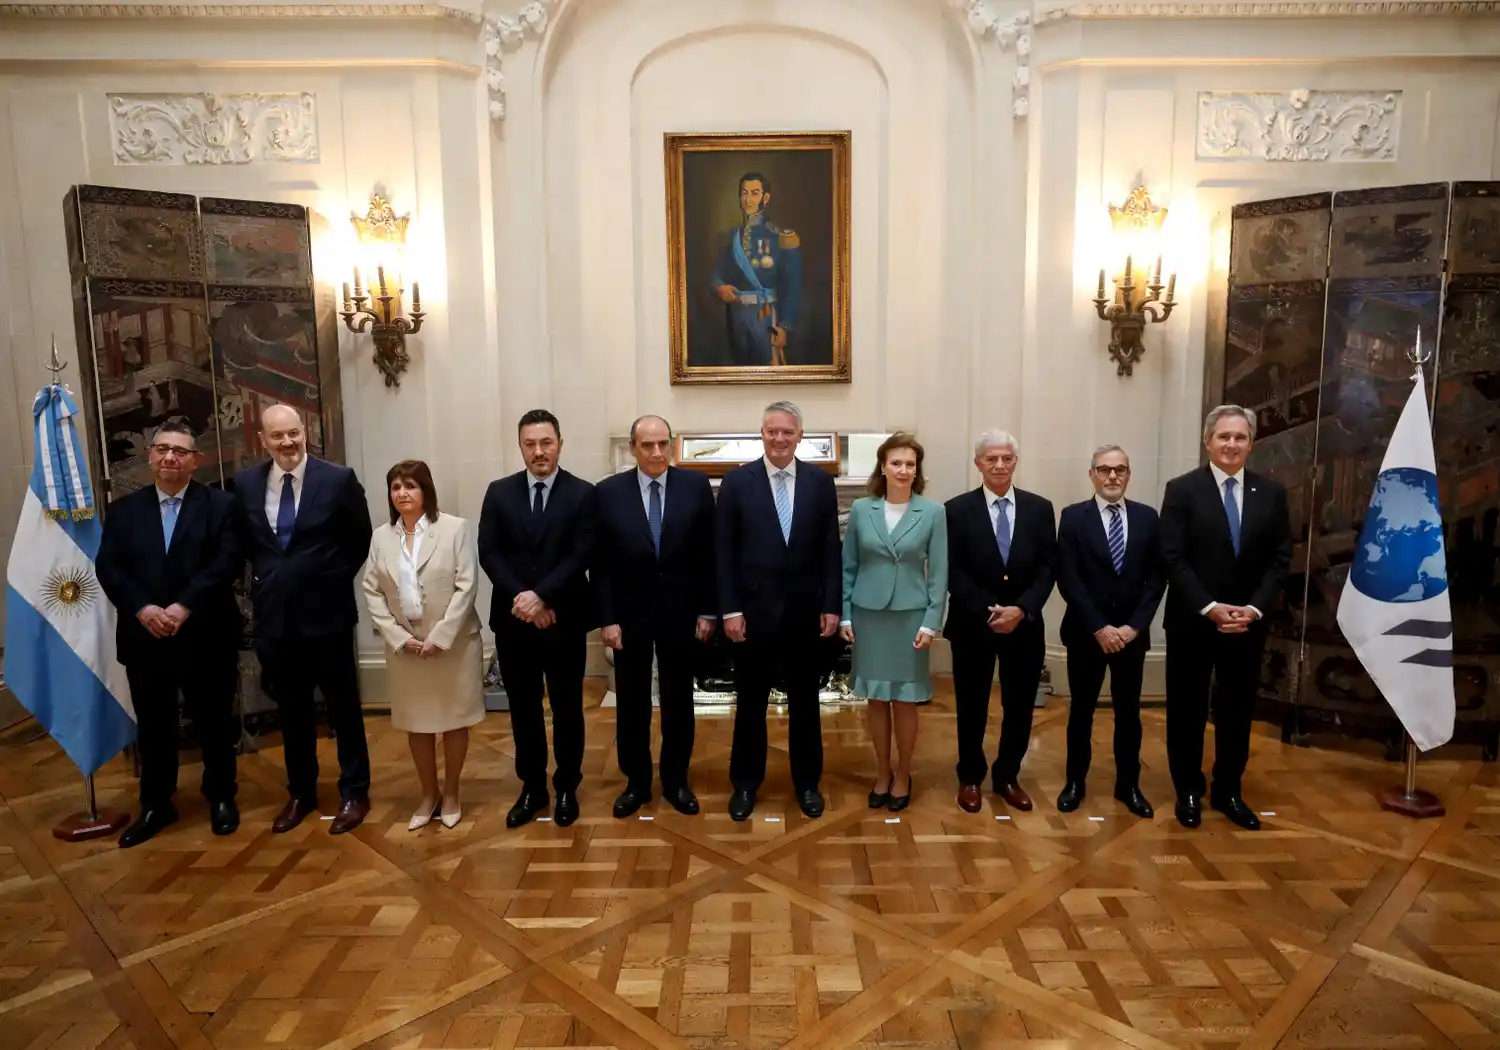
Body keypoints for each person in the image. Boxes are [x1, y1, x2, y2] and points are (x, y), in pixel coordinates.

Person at [97, 422, 244, 847]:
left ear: (195, 460)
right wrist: (143, 608)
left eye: (180, 452)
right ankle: (157, 803)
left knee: (215, 723)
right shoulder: (124, 511)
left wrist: (183, 606)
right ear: (150, 456)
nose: (170, 458)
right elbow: (110, 567)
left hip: (206, 634)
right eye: (162, 449)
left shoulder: (221, 506)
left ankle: (221, 797)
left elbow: (226, 561)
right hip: (146, 639)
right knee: (154, 727)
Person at [233, 404, 374, 834]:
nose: (288, 443)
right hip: (276, 620)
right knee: (291, 712)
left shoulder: (338, 480)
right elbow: (246, 544)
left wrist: (327, 580)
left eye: (294, 433)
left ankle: (355, 790)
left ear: (305, 432)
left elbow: (359, 539)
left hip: (327, 616)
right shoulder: (244, 485)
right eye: (278, 436)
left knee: (343, 709)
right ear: (263, 440)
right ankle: (301, 793)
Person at [1160, 405, 1292, 831]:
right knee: (1187, 710)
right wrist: (1209, 607)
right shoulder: (1182, 490)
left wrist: (1252, 609)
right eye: (1223, 437)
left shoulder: (1271, 494)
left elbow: (1280, 558)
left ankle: (1229, 790)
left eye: (1239, 437)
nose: (1231, 444)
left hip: (1246, 625)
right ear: (1208, 442)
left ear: (1251, 443)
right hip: (1193, 621)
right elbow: (1172, 558)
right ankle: (1189, 790)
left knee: (1237, 711)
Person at [718, 400, 841, 820]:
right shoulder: (737, 483)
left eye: (788, 432)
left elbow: (831, 549)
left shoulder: (821, 483)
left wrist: (832, 606)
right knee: (750, 704)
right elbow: (724, 552)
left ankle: (807, 784)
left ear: (800, 436)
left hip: (806, 616)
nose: (780, 438)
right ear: (762, 434)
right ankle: (746, 785)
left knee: (807, 704)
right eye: (772, 431)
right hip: (752, 617)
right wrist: (730, 609)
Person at [478, 409, 596, 829]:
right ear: (521, 447)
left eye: (546, 443)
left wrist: (543, 597)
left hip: (563, 619)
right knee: (523, 708)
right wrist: (524, 599)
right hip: (513, 621)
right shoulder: (499, 492)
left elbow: (581, 554)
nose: (539, 451)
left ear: (560, 443)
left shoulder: (583, 494)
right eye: (530, 444)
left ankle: (566, 786)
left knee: (567, 709)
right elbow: (489, 553)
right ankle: (532, 787)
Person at [594, 415, 717, 818]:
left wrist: (707, 610)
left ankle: (677, 780)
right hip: (629, 618)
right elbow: (603, 564)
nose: (656, 452)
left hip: (682, 614)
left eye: (663, 443)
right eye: (647, 445)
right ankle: (637, 782)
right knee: (631, 703)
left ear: (673, 444)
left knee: (679, 699)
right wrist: (607, 618)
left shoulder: (696, 487)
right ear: (633, 448)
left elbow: (708, 555)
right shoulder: (608, 493)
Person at [361, 460, 485, 831]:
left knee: (453, 720)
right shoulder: (381, 536)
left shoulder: (454, 529)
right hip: (407, 647)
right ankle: (428, 793)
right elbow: (371, 590)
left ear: (426, 490)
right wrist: (401, 638)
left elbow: (467, 585)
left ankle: (451, 793)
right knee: (417, 723)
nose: (402, 493)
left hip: (452, 645)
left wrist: (440, 637)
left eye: (410, 486)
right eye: (395, 487)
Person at [944, 430, 1057, 814]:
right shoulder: (956, 510)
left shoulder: (1040, 508)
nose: (999, 465)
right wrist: (990, 610)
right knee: (971, 705)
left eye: (1006, 458)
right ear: (978, 463)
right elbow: (952, 570)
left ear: (1015, 462)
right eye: (991, 459)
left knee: (1020, 704)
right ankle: (970, 776)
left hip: (1024, 626)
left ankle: (1007, 775)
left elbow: (1048, 568)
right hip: (974, 624)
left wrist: (1021, 609)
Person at [1054, 445, 1165, 818]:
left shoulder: (1149, 518)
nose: (1112, 476)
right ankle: (1075, 783)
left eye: (1120, 470)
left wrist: (1134, 626)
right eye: (1104, 470)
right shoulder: (1072, 518)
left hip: (1131, 637)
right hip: (1087, 634)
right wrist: (1100, 626)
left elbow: (1157, 579)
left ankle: (1128, 785)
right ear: (1092, 475)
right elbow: (1068, 579)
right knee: (1081, 713)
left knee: (1128, 715)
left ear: (1129, 474)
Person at [839, 433, 948, 812]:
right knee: (876, 698)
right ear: (882, 467)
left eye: (910, 464)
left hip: (911, 618)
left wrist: (931, 622)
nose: (903, 470)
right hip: (868, 615)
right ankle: (881, 771)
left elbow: (939, 574)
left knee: (905, 699)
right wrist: (846, 614)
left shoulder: (933, 512)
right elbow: (848, 565)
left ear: (917, 471)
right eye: (896, 463)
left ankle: (903, 773)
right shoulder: (861, 510)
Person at [709, 172, 803, 367]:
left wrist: (784, 325)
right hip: (736, 314)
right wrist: (719, 286)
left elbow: (792, 287)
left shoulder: (780, 237)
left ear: (765, 198)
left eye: (754, 193)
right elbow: (718, 271)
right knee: (740, 371)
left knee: (766, 373)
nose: (748, 199)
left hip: (766, 316)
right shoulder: (731, 237)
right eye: (744, 193)